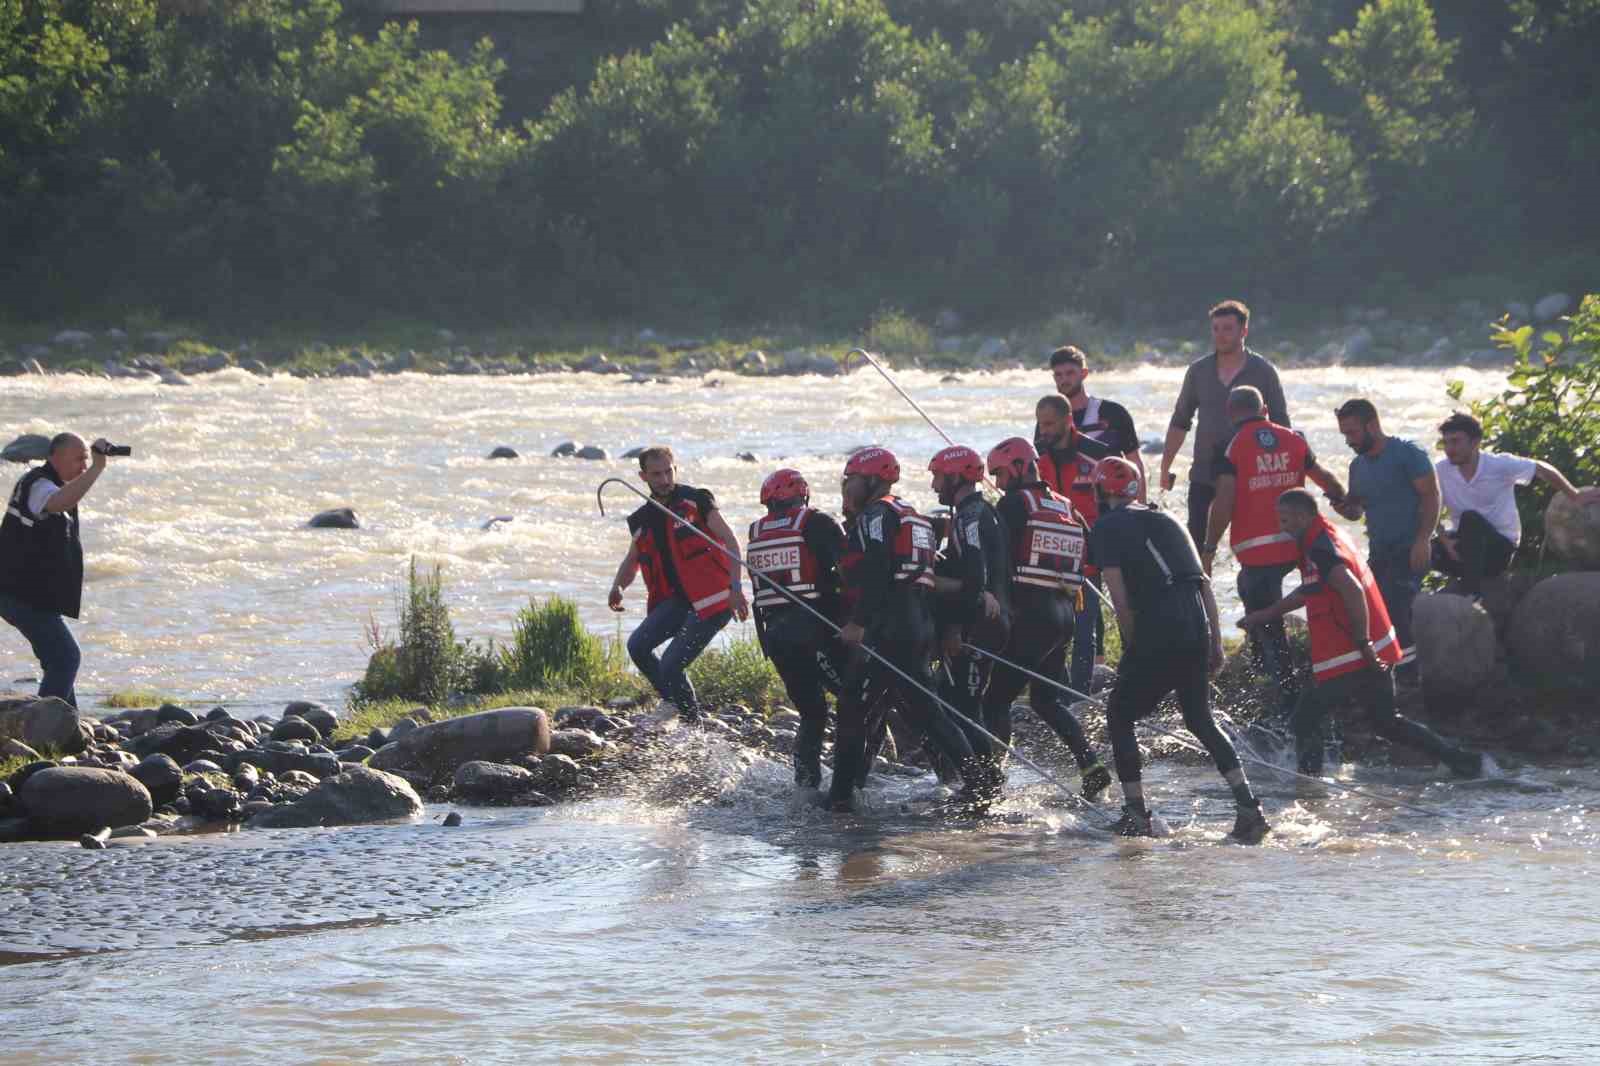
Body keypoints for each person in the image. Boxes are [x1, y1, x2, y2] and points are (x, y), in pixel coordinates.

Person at [1239, 489, 1485, 778]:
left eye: (1285, 520)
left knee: (1305, 718)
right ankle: (1462, 761)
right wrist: (1267, 614)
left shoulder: (1319, 547)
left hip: (1354, 651)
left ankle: (1309, 786)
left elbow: (1351, 589)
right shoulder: (1328, 535)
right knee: (1386, 722)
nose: (1283, 528)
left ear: (1303, 516)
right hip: (1374, 646)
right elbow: (1315, 587)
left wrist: (1364, 644)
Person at [1088, 456, 1267, 842]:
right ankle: (1249, 806)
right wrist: (1215, 643)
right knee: (1200, 719)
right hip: (1195, 627)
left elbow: (1119, 599)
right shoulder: (1168, 520)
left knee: (1119, 715)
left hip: (1157, 629)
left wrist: (1132, 650)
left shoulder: (1106, 527)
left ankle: (1136, 812)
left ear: (1101, 492)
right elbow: (1203, 584)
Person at [829, 446, 983, 811]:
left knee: (854, 708)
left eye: (850, 480)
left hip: (891, 625)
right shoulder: (913, 516)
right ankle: (979, 784)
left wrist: (857, 623)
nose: (847, 488)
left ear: (870, 480)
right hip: (918, 622)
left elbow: (880, 570)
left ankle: (839, 798)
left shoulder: (875, 515)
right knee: (923, 712)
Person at [1202, 385, 1347, 718]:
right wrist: (1343, 499)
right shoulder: (1293, 438)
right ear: (1265, 409)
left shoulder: (1231, 446)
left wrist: (1209, 547)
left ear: (1230, 412)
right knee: (1320, 599)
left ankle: (1281, 696)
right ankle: (1319, 673)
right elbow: (1322, 476)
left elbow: (1223, 502)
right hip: (1300, 542)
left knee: (1267, 624)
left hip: (1258, 553)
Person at [984, 437, 1112, 799]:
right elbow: (1088, 553)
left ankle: (993, 780)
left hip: (1031, 617)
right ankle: (1090, 764)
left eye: (1001, 473)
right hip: (1063, 617)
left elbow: (998, 556)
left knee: (995, 700)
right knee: (1045, 700)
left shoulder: (1013, 504)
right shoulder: (1068, 506)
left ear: (1022, 466)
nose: (998, 481)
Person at [609, 446, 749, 723]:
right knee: (638, 646)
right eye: (656, 474)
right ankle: (673, 701)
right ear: (643, 477)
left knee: (672, 664)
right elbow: (632, 560)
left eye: (668, 471)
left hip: (714, 600)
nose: (664, 479)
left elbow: (731, 541)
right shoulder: (641, 519)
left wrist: (737, 588)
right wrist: (618, 586)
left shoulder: (697, 500)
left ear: (676, 469)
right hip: (678, 602)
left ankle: (692, 727)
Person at [746, 467, 849, 788]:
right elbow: (848, 571)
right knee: (853, 700)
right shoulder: (817, 522)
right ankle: (851, 785)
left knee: (812, 713)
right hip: (815, 633)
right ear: (803, 495)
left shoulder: (755, 531)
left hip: (776, 638)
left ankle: (805, 790)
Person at [1160, 299, 1290, 547]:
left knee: (1253, 543)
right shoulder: (1198, 371)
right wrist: (1165, 467)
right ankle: (1202, 586)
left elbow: (1282, 424)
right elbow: (1180, 421)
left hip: (1251, 474)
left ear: (1244, 331)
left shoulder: (1263, 371)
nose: (1220, 335)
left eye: (1228, 328)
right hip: (1204, 471)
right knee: (1196, 543)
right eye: (1216, 328)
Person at [0, 433, 118, 708]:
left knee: (58, 660)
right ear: (55, 457)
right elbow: (58, 502)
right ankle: (42, 729)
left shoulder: (52, 485)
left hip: (31, 592)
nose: (83, 466)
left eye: (86, 460)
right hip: (16, 592)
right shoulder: (37, 484)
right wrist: (99, 469)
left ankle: (68, 727)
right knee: (66, 657)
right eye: (78, 459)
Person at [1433, 411, 1600, 596]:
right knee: (1420, 548)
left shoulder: (1498, 465)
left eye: (1455, 441)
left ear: (1475, 442)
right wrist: (1443, 539)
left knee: (1470, 519)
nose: (1449, 448)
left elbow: (1541, 468)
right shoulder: (1440, 471)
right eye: (1446, 442)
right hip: (1466, 547)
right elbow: (1426, 507)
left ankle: (1471, 595)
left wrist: (1574, 494)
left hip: (1499, 549)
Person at [1330, 398, 1437, 685]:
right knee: (1364, 606)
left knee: (1395, 601)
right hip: (1380, 551)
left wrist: (1423, 539)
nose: (1348, 441)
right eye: (1344, 435)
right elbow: (1356, 512)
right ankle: (1380, 670)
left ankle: (1409, 678)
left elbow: (1431, 496)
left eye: (1352, 433)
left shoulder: (1408, 453)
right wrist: (1344, 508)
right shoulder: (1357, 466)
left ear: (1372, 425)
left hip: (1412, 546)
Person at [927, 445, 1008, 779]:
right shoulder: (970, 513)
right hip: (979, 620)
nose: (934, 486)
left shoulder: (971, 516)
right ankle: (965, 778)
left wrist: (954, 629)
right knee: (947, 700)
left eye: (938, 477)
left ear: (957, 476)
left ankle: (990, 783)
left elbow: (975, 575)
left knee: (965, 707)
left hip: (980, 626)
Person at [1035, 394, 1115, 692]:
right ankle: (1054, 692)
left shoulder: (1098, 455)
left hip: (1089, 559)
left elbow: (1115, 504)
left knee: (1084, 631)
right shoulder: (1038, 458)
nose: (1043, 430)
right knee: (1052, 631)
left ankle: (1080, 694)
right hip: (1050, 559)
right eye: (1040, 424)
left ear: (1068, 421)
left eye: (1049, 424)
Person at [1050, 345, 1146, 500]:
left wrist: (1141, 507)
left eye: (1070, 373)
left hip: (1112, 502)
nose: (1064, 380)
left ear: (1084, 374)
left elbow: (1135, 463)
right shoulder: (1049, 421)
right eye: (1058, 375)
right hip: (1068, 507)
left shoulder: (1114, 413)